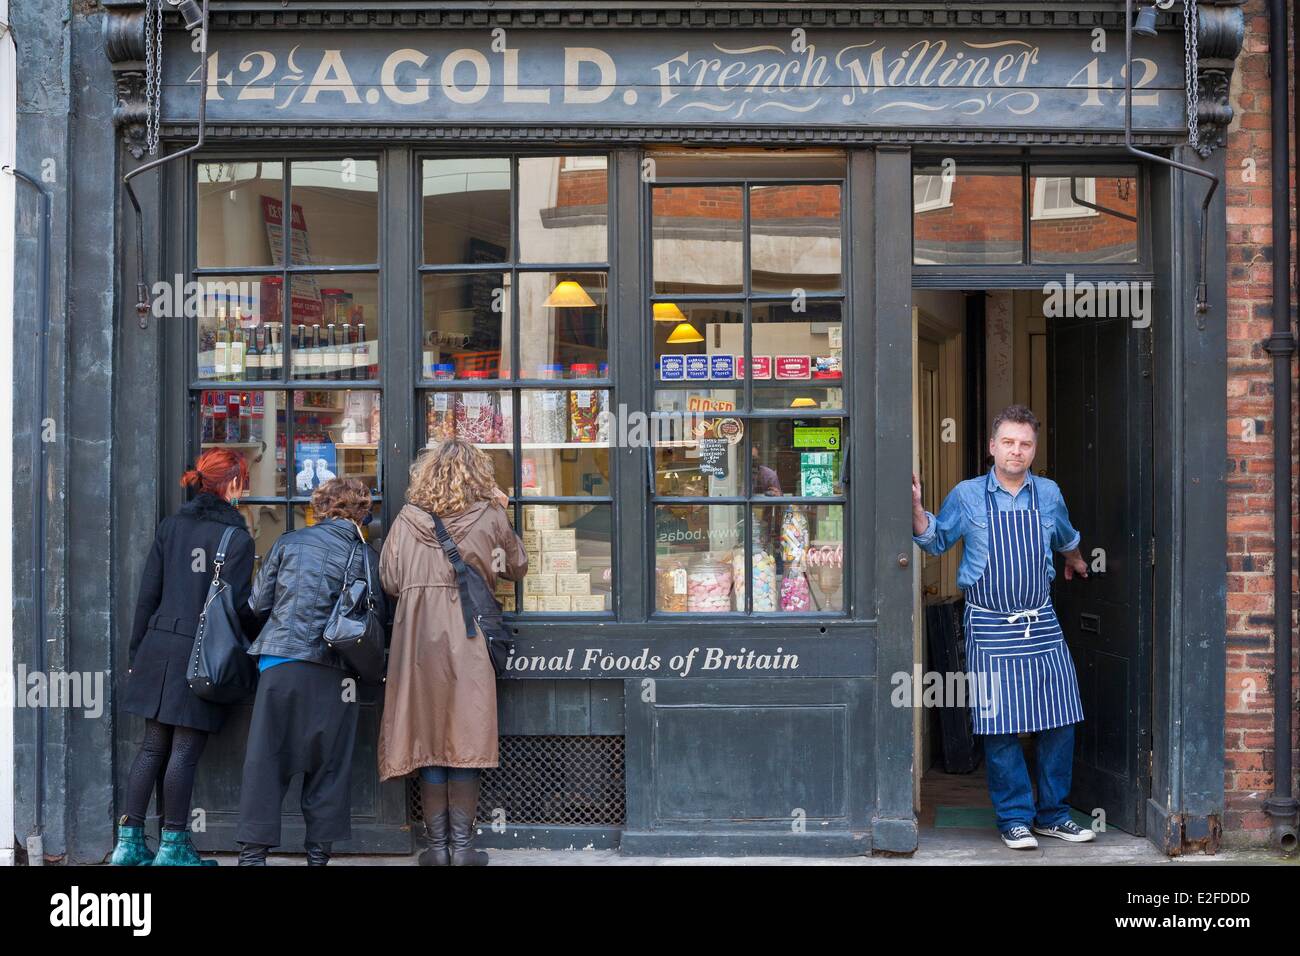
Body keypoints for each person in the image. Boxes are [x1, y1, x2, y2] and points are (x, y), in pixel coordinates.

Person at [911, 404, 1094, 850]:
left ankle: (1052, 814)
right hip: (989, 623)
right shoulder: (968, 495)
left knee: (1061, 718)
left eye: (1025, 444)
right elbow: (936, 540)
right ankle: (1014, 817)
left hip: (1042, 620)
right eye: (1008, 442)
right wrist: (915, 508)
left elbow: (1065, 537)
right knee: (1000, 724)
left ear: (1034, 449)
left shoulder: (1048, 494)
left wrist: (1075, 561)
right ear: (992, 446)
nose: (1016, 451)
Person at [379, 439, 528, 866]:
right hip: (469, 635)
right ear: (478, 474)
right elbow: (517, 567)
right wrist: (502, 509)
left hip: (417, 638)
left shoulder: (408, 519)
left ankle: (436, 848)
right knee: (465, 734)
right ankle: (463, 849)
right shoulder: (489, 514)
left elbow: (389, 579)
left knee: (427, 735)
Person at [113, 449, 258, 866]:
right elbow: (238, 607)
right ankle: (174, 848)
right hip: (201, 655)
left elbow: (147, 595)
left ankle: (129, 844)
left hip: (158, 648)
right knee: (184, 751)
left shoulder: (172, 526)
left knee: (151, 747)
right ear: (231, 484)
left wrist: (136, 651)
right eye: (242, 481)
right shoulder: (237, 538)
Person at [234, 477, 388, 866]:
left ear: (319, 508)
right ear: (361, 512)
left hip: (280, 664)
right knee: (329, 767)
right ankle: (318, 856)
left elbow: (255, 605)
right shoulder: (367, 556)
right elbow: (376, 620)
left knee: (265, 761)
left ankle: (254, 856)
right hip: (337, 673)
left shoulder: (288, 543)